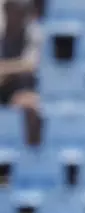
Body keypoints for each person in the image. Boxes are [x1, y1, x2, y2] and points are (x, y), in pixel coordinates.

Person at [0, 0, 41, 145]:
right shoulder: (2, 35)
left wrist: (5, 69)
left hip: (21, 89)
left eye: (16, 10)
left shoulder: (33, 32)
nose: (12, 14)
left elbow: (29, 64)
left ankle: (29, 154)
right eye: (9, 9)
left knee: (30, 103)